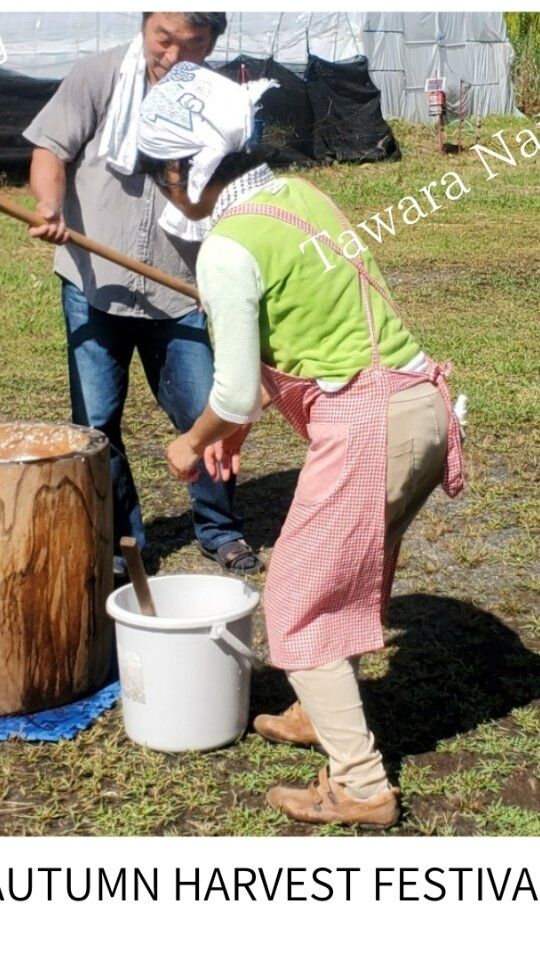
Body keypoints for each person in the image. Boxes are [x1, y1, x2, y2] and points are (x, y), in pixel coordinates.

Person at [137, 64, 464, 827]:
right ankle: (323, 712)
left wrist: (194, 443)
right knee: (336, 574)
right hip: (419, 409)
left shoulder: (225, 250)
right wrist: (239, 427)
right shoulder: (302, 197)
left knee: (298, 600)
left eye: (159, 172)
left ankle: (360, 784)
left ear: (186, 168)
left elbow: (227, 392)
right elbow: (298, 333)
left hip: (364, 429)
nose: (160, 186)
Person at [23, 12, 261, 576]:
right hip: (94, 285)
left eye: (194, 43)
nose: (176, 54)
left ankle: (219, 529)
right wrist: (50, 206)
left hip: (182, 291)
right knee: (97, 422)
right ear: (145, 26)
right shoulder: (98, 76)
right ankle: (123, 542)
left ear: (214, 41)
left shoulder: (223, 102)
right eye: (164, 38)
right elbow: (50, 149)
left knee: (207, 411)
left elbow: (239, 189)